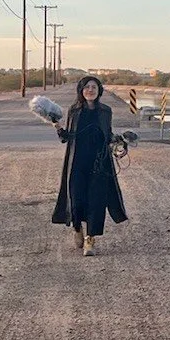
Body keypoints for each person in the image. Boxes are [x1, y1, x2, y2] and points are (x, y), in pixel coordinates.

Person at [53, 74, 128, 254]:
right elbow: (67, 138)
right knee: (76, 198)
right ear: (81, 90)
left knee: (96, 201)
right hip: (77, 162)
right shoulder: (74, 111)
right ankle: (77, 228)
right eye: (87, 87)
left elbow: (108, 135)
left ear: (99, 90)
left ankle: (90, 240)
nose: (90, 90)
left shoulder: (106, 111)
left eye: (94, 87)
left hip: (99, 163)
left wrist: (120, 142)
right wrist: (58, 128)